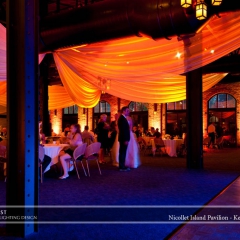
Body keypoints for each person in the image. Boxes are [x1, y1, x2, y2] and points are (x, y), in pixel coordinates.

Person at [117, 106, 131, 171]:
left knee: (123, 152)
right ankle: (121, 167)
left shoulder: (123, 118)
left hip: (123, 138)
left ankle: (122, 166)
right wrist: (125, 139)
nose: (129, 112)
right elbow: (123, 130)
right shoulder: (122, 119)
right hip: (123, 138)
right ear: (124, 111)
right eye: (127, 111)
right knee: (122, 152)